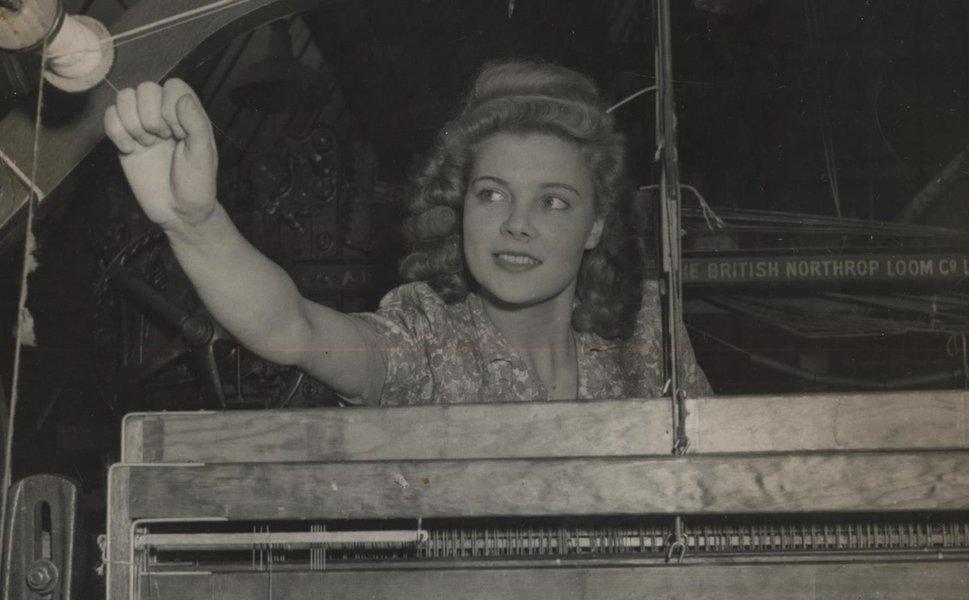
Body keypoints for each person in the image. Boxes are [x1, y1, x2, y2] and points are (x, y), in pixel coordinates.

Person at [103, 58, 710, 406]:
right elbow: (296, 327)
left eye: (553, 202)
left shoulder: (648, 329)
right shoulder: (427, 335)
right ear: (460, 206)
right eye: (491, 193)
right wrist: (194, 222)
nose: (516, 225)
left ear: (595, 226)